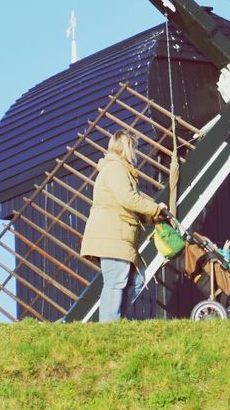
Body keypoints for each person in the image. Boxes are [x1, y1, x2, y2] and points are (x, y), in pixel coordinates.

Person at [79, 130, 163, 322]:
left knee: (136, 278)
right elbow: (128, 199)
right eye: (132, 147)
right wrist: (155, 209)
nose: (135, 153)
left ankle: (115, 320)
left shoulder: (120, 170)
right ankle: (110, 325)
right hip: (113, 234)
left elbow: (130, 201)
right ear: (126, 147)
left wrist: (153, 214)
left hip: (119, 234)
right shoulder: (116, 169)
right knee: (116, 280)